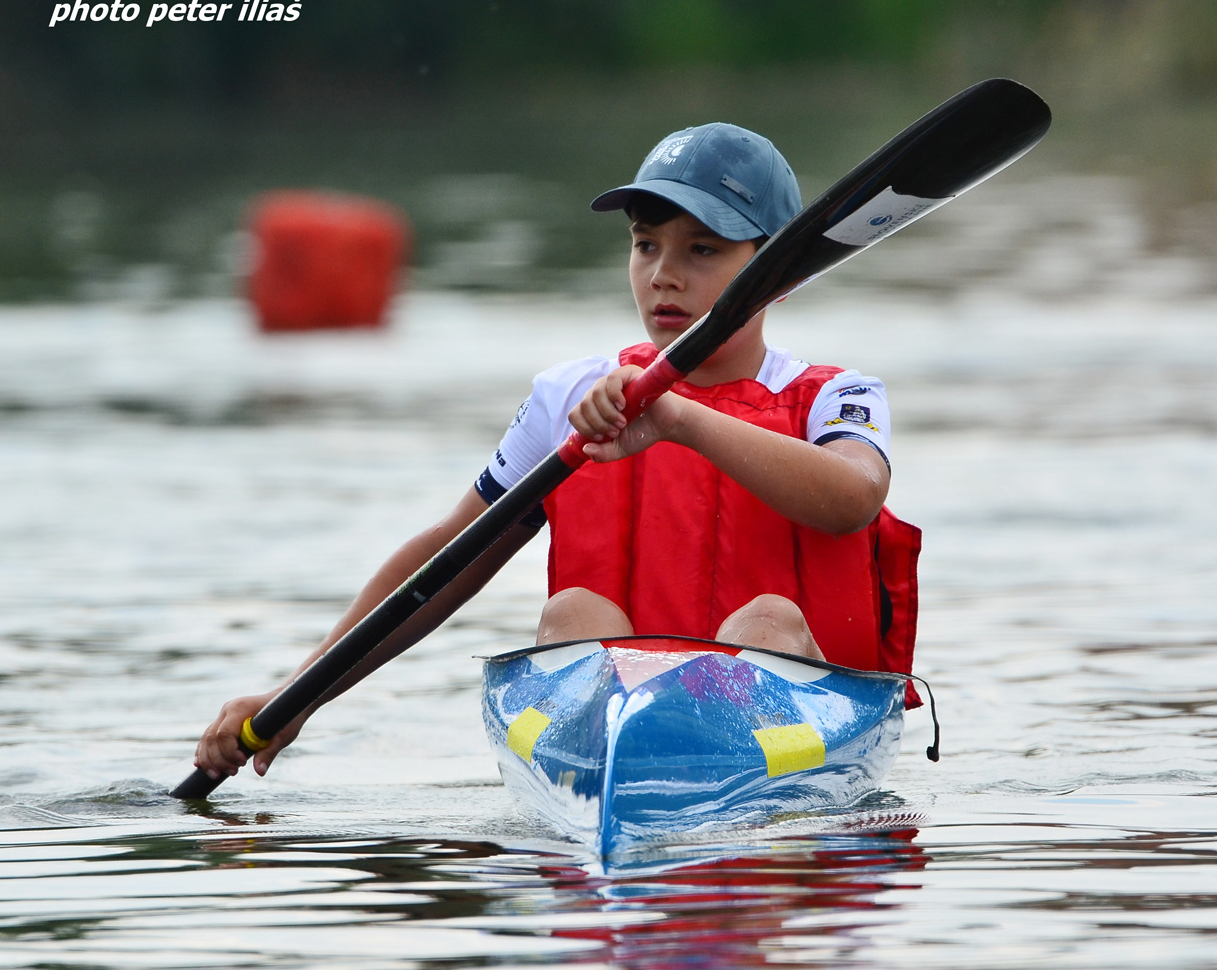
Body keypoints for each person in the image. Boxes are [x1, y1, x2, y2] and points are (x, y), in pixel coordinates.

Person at [194, 122, 920, 782]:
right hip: (613, 739)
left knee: (763, 623)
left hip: (789, 730)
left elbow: (854, 499)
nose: (664, 273)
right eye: (645, 244)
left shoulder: (838, 397)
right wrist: (300, 693)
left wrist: (680, 419)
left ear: (778, 273)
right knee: (574, 615)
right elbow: (448, 556)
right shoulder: (569, 397)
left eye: (703, 249)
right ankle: (610, 789)